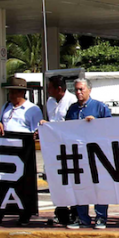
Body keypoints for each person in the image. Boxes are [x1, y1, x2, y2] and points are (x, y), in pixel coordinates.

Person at [0, 77, 42, 227]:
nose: (10, 95)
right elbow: (0, 120)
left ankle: (24, 214)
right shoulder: (6, 106)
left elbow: (37, 131)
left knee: (23, 184)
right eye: (9, 92)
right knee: (2, 183)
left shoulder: (32, 110)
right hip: (5, 151)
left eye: (13, 92)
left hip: (23, 153)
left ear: (21, 93)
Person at [65, 78, 113, 229]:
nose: (79, 92)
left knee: (99, 187)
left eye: (81, 89)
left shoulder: (100, 107)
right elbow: (65, 129)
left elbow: (112, 128)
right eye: (77, 89)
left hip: (98, 155)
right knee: (81, 186)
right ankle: (83, 218)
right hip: (78, 155)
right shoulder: (72, 109)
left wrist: (96, 123)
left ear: (89, 90)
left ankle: (101, 217)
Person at [40, 75, 76, 227]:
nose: (48, 91)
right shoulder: (49, 102)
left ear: (59, 89)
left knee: (71, 181)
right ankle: (60, 212)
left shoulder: (72, 101)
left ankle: (74, 213)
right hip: (53, 147)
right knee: (55, 180)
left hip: (68, 147)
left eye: (49, 88)